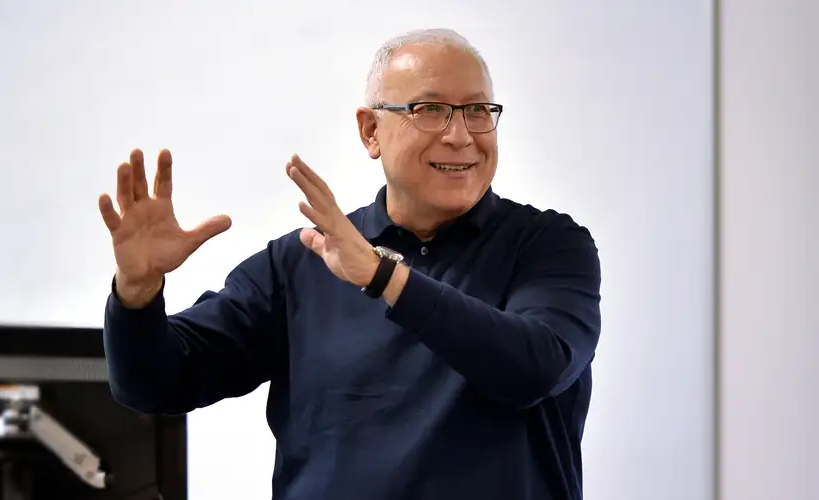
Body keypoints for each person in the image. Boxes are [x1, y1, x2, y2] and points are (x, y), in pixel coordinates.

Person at [95, 28, 602, 500]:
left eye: (476, 111)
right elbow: (155, 385)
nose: (460, 135)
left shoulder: (548, 246)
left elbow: (537, 367)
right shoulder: (302, 261)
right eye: (430, 109)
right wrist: (137, 292)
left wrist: (384, 277)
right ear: (370, 131)